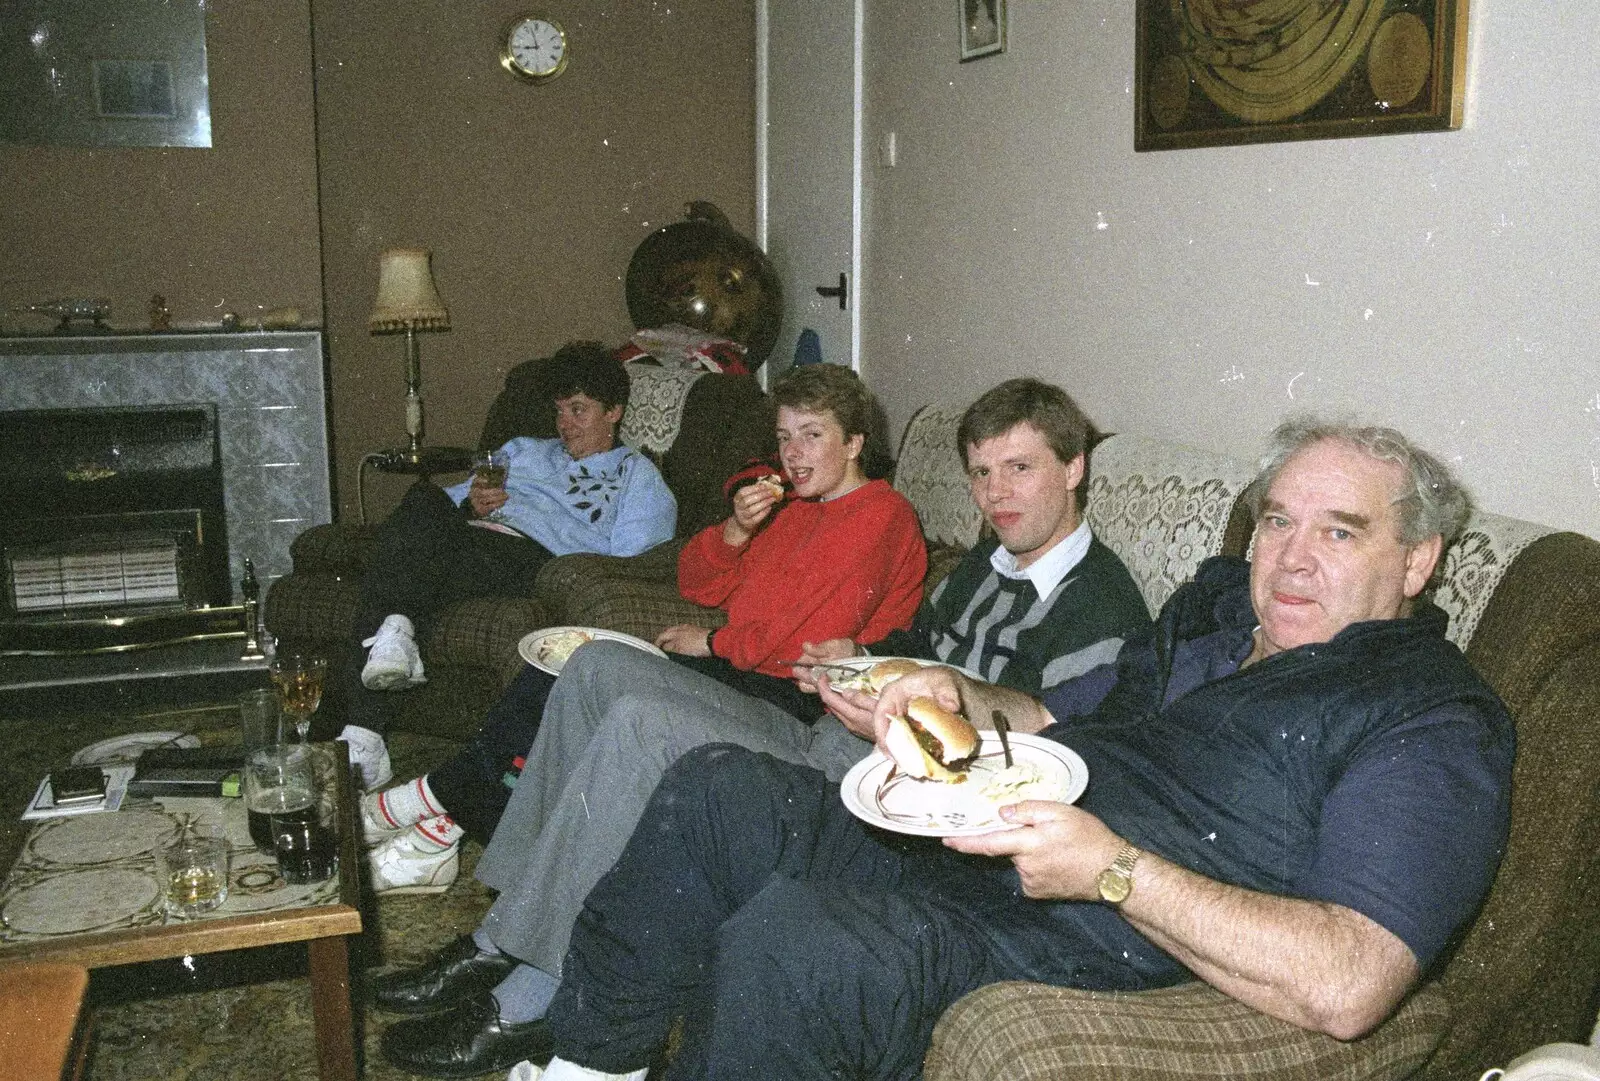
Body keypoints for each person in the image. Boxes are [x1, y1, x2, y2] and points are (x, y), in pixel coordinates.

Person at [512, 416, 1516, 1081]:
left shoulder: (1427, 715)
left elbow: (1351, 981)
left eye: (1339, 534)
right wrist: (950, 696)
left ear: (1418, 558)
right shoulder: (1214, 612)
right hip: (995, 846)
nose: (1290, 559)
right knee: (719, 787)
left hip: (1103, 937)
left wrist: (1113, 870)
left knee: (802, 938)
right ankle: (584, 1065)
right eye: (1276, 524)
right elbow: (1047, 711)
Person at [374, 379, 1155, 1078]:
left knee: (645, 725)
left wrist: (917, 698)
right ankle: (498, 937)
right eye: (981, 473)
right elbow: (902, 645)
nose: (995, 494)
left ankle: (529, 987)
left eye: (1019, 468)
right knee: (595, 669)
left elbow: (1058, 752)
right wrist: (864, 659)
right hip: (829, 724)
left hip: (861, 790)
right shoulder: (989, 567)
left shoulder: (1099, 608)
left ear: (1074, 466)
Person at [360, 362, 926, 898]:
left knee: (584, 689)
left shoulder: (882, 515)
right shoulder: (796, 510)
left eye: (811, 435)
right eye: (783, 437)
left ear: (854, 442)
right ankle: (441, 823)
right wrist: (735, 529)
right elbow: (697, 583)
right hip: (742, 670)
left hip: (791, 700)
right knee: (561, 672)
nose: (792, 454)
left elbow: (800, 643)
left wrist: (710, 642)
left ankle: (429, 804)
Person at [329, 341, 676, 791]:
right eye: (560, 412)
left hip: (530, 559)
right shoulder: (523, 450)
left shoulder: (636, 476)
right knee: (421, 498)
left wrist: (547, 526)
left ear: (614, 412)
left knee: (403, 568)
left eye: (579, 410)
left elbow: (631, 563)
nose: (565, 425)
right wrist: (473, 504)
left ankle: (363, 721)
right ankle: (392, 645)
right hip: (469, 542)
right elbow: (444, 509)